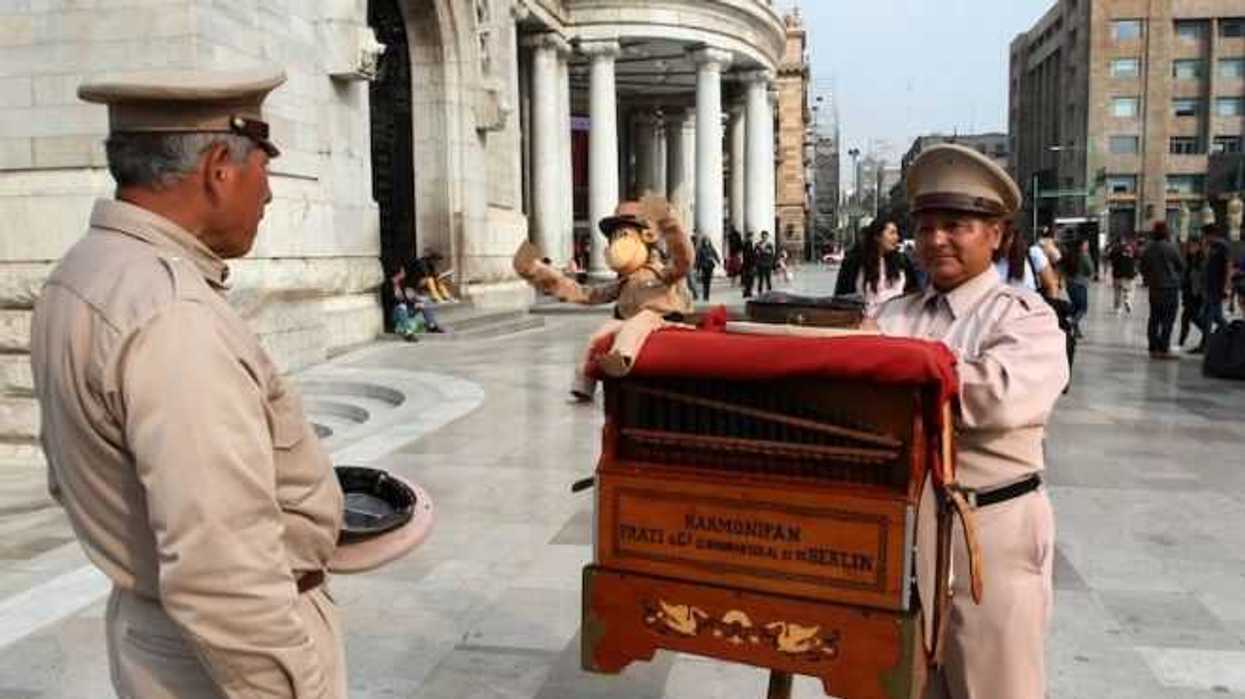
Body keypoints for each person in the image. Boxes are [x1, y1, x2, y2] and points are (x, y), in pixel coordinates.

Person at [29, 69, 348, 697]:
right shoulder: (173, 316)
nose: (270, 194)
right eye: (265, 168)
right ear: (219, 169)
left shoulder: (83, 273)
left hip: (158, 631)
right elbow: (223, 572)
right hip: (215, 663)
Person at [870, 143, 1067, 699]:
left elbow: (997, 398)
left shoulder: (1025, 319)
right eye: (926, 226)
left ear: (998, 235)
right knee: (902, 685)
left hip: (991, 536)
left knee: (993, 684)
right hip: (902, 534)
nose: (935, 240)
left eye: (956, 225)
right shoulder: (894, 314)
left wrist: (898, 377)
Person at [1139, 222, 1184, 359]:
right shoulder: (1171, 248)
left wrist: (1149, 279)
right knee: (1168, 320)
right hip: (1170, 288)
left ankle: (1153, 348)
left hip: (1155, 289)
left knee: (1154, 318)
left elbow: (1142, 268)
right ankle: (1164, 348)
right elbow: (1181, 265)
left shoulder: (1148, 249)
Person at [855, 218, 912, 315]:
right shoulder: (857, 262)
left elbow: (913, 291)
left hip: (896, 316)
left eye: (896, 233)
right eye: (892, 233)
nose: (896, 237)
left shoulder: (902, 262)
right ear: (877, 236)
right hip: (866, 319)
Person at [389, 262, 444, 340]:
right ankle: (408, 332)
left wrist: (415, 300)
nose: (404, 272)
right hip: (396, 314)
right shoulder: (388, 285)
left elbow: (408, 298)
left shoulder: (403, 283)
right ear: (397, 273)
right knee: (401, 307)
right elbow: (394, 302)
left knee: (425, 302)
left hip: (407, 309)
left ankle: (432, 325)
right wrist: (403, 297)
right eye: (402, 271)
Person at [1201, 224, 1232, 349]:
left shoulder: (1222, 246)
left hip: (1217, 287)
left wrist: (1226, 286)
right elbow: (1206, 264)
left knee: (1208, 316)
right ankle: (1231, 334)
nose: (1204, 237)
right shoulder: (1211, 246)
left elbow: (1228, 265)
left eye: (1205, 235)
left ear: (1211, 234)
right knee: (1216, 317)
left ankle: (1206, 344)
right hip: (1210, 286)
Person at [1062, 237, 1093, 338]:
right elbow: (1090, 269)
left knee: (1075, 307)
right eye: (1086, 244)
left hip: (1070, 284)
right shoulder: (1084, 256)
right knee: (1082, 308)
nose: (1087, 246)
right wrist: (1088, 255)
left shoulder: (1069, 255)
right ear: (1081, 246)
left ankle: (1076, 331)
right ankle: (1069, 323)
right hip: (1080, 284)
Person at [1179, 238, 1207, 350]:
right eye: (1189, 246)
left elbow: (1199, 278)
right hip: (1189, 293)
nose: (1191, 248)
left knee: (1194, 318)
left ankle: (1207, 335)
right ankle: (1181, 342)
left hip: (1196, 295)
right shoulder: (1190, 259)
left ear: (1199, 247)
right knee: (1186, 318)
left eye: (1193, 246)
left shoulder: (1201, 260)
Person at [1107, 236, 1139, 314]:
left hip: (1117, 273)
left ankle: (1118, 308)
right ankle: (1127, 298)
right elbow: (1137, 258)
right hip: (1129, 273)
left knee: (1117, 291)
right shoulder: (1131, 248)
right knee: (1129, 289)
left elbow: (1109, 258)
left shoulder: (1114, 249)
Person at [693, 233, 721, 301]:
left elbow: (715, 255)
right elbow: (698, 258)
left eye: (707, 241)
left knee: (708, 281)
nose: (706, 242)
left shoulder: (711, 248)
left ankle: (706, 296)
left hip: (710, 266)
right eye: (705, 240)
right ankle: (705, 295)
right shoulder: (700, 249)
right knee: (704, 281)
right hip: (703, 266)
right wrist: (697, 267)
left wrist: (718, 261)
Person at [741, 231, 757, 297]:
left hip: (747, 264)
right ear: (750, 237)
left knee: (748, 279)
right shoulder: (748, 244)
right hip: (749, 264)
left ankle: (747, 292)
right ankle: (748, 292)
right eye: (752, 236)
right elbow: (749, 255)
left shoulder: (745, 243)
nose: (753, 238)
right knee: (750, 279)